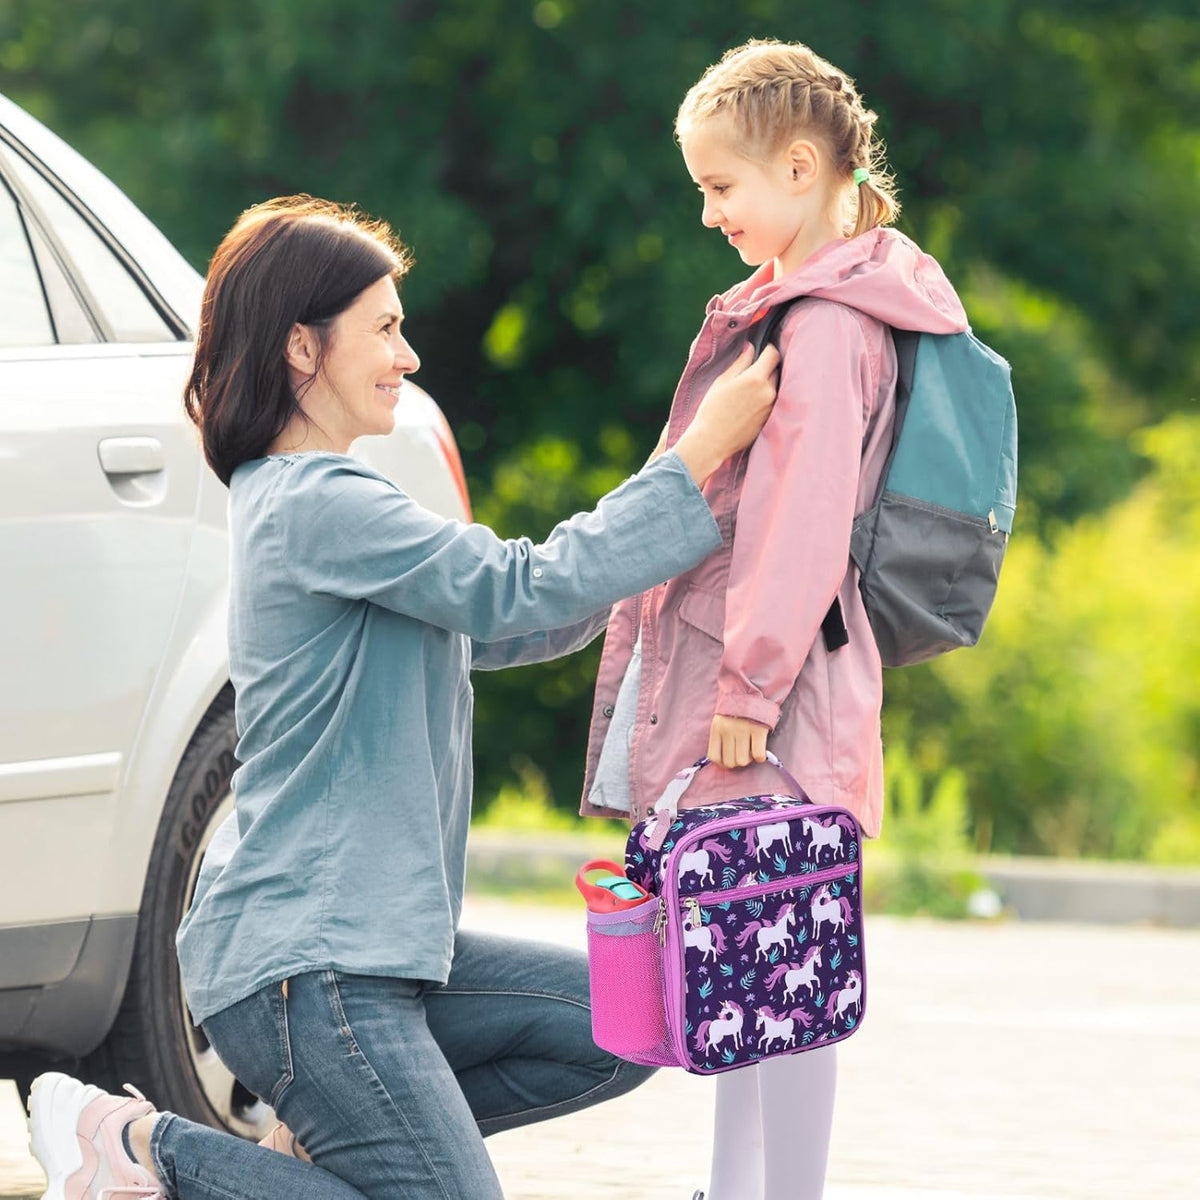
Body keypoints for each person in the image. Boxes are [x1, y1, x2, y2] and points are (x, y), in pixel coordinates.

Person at [26, 194, 780, 1200]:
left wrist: (688, 507)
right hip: (309, 966)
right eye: (385, 329)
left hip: (380, 949)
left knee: (627, 1020)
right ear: (303, 346)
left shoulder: (333, 502)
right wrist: (697, 456)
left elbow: (525, 620)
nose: (408, 355)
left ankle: (339, 1152)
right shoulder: (315, 503)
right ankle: (139, 1148)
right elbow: (525, 584)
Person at [578, 39, 971, 1200]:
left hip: (773, 700)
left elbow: (798, 525)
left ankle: (777, 1192)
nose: (709, 215)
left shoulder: (828, 323)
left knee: (781, 960)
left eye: (720, 188)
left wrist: (747, 689)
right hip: (777, 686)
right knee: (741, 953)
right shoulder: (812, 305)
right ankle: (733, 1188)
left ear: (800, 168)